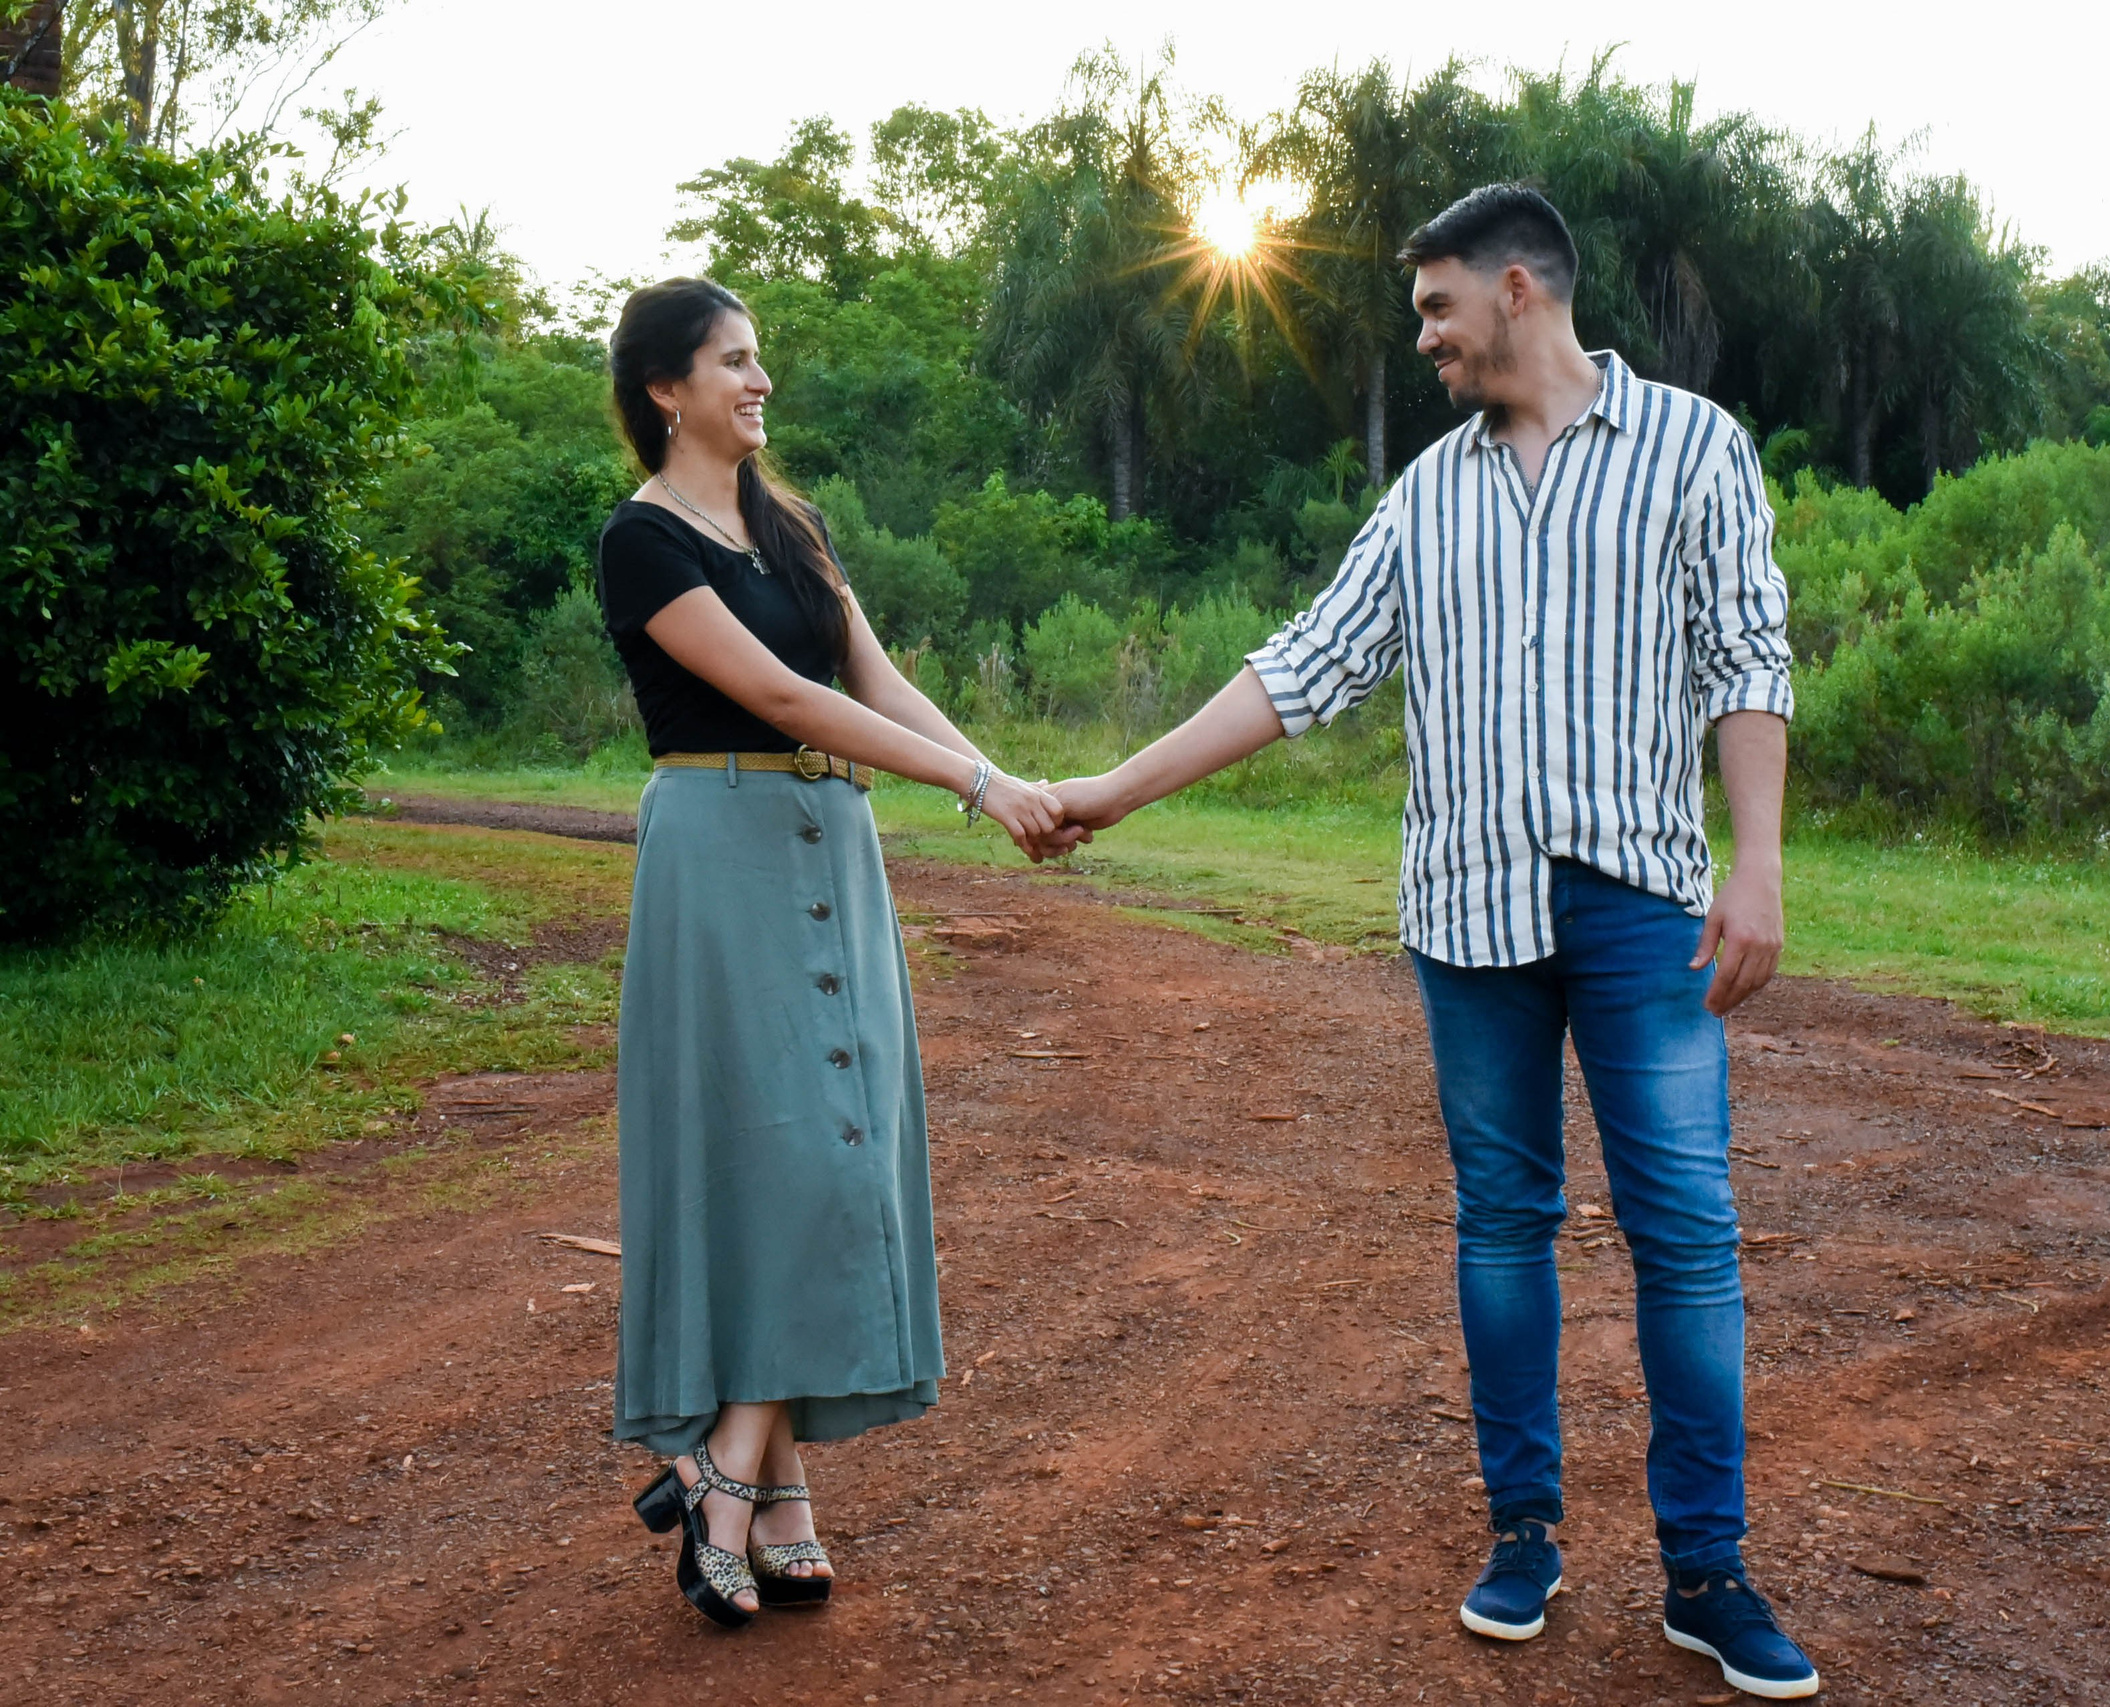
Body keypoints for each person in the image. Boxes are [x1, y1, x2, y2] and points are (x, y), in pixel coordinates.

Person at [1036, 186, 1818, 1698]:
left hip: (1638, 900)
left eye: (1437, 308)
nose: (1427, 338)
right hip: (1466, 914)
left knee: (1687, 1234)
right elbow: (1305, 665)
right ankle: (1525, 1535)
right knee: (1502, 1226)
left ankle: (1707, 1571)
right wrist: (1114, 791)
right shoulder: (1428, 494)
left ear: (1518, 289)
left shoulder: (1693, 449)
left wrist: (1762, 865)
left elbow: (1748, 654)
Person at [598, 277, 1063, 1627]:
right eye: (732, 363)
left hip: (831, 847)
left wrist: (1007, 777)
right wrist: (971, 794)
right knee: (781, 1157)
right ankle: (728, 1466)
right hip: (719, 849)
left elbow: (871, 678)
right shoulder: (641, 543)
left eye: (760, 362)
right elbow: (779, 694)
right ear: (665, 390)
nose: (759, 383)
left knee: (835, 1140)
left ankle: (770, 1488)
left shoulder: (789, 525)